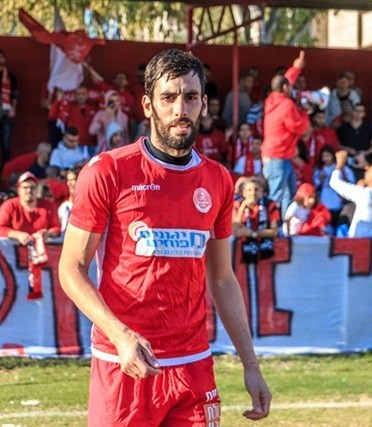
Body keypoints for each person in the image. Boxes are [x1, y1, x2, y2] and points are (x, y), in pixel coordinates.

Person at [59, 48, 270, 426]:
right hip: (125, 365)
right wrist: (120, 336)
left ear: (203, 104)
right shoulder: (108, 171)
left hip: (193, 367)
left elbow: (222, 279)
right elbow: (71, 269)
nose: (180, 109)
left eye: (190, 97)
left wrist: (250, 365)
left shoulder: (219, 180)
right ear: (148, 105)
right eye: (168, 97)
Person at [261, 50, 310, 216]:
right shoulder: (287, 105)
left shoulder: (271, 99)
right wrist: (305, 112)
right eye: (290, 87)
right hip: (278, 158)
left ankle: (285, 227)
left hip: (278, 157)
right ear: (285, 88)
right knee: (276, 197)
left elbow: (285, 81)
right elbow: (299, 127)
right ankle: (267, 226)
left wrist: (296, 67)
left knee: (289, 195)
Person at [329, 150, 372, 238]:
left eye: (368, 172)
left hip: (359, 242)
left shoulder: (363, 194)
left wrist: (339, 165)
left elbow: (334, 182)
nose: (365, 172)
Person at [0, 172, 60, 245]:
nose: (29, 190)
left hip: (41, 249)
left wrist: (48, 233)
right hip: (14, 249)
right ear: (18, 190)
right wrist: (17, 235)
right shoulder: (9, 205)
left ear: (37, 189)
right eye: (25, 187)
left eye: (32, 187)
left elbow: (57, 228)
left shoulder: (48, 205)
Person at [232, 177, 281, 259]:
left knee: (267, 248)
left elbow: (274, 231)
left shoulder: (270, 204)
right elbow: (234, 229)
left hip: (265, 245)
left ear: (261, 191)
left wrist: (252, 234)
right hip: (243, 248)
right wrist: (242, 207)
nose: (253, 193)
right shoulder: (237, 205)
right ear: (244, 193)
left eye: (256, 190)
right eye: (249, 190)